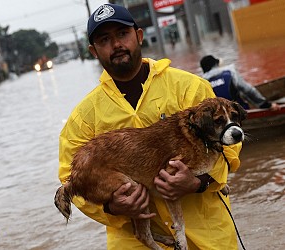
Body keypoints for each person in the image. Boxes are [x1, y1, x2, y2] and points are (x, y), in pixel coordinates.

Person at [58, 4, 242, 249]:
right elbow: (71, 179)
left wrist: (199, 182)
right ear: (94, 51)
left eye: (122, 34)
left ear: (139, 36)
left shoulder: (189, 87)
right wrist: (111, 206)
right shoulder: (84, 116)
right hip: (135, 242)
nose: (116, 45)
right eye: (105, 39)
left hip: (205, 234)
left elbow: (230, 149)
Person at [200, 55, 280, 111]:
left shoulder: (202, 82)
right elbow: (248, 90)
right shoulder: (229, 73)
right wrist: (266, 105)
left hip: (219, 118)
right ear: (216, 64)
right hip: (239, 112)